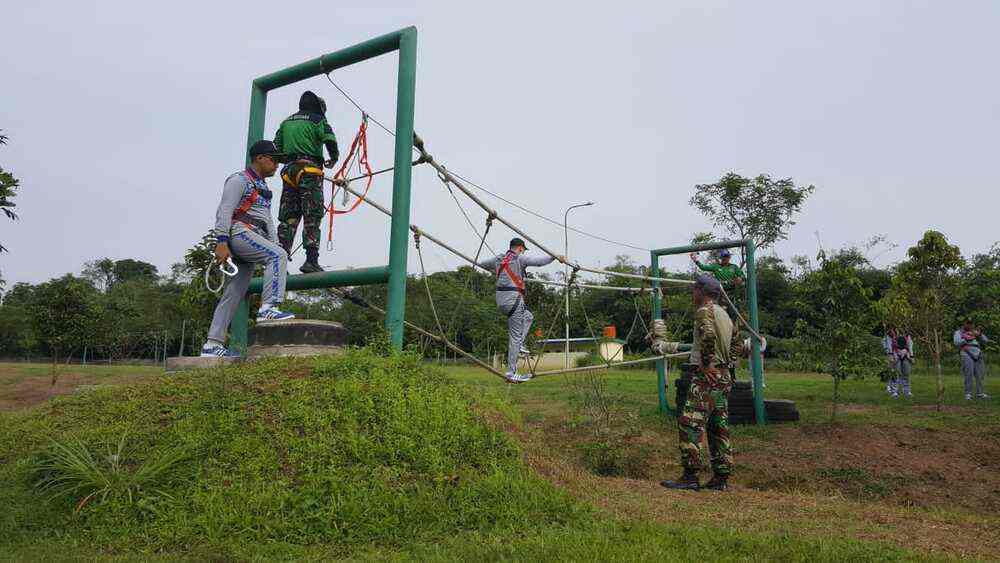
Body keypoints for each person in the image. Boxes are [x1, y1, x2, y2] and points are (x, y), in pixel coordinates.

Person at [201, 140, 295, 357]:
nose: (277, 165)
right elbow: (224, 211)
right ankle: (268, 308)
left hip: (254, 234)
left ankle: (212, 343)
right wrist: (221, 242)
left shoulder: (263, 187)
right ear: (260, 158)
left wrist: (276, 245)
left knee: (234, 292)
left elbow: (266, 220)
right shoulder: (239, 180)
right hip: (240, 232)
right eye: (273, 160)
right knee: (276, 256)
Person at [654, 274, 745, 492]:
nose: (692, 292)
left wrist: (707, 363)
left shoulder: (705, 311)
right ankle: (721, 478)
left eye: (694, 289)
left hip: (707, 377)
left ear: (700, 291)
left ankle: (690, 476)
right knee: (718, 426)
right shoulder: (725, 313)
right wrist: (726, 365)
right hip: (723, 376)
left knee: (690, 423)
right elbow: (737, 343)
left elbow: (707, 335)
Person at [479, 238, 564, 383]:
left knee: (528, 316)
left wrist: (498, 270)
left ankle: (521, 345)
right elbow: (538, 261)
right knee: (515, 336)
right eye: (523, 250)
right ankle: (511, 372)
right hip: (514, 300)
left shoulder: (499, 258)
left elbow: (482, 264)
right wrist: (554, 257)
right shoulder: (519, 258)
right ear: (519, 248)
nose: (523, 252)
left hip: (501, 300)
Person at [274, 91, 339, 274]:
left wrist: (291, 157)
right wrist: (333, 158)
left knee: (288, 218)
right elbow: (330, 140)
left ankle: (279, 262)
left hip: (289, 173)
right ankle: (311, 260)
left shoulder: (286, 122)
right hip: (310, 171)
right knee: (312, 215)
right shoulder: (318, 120)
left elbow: (276, 149)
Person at [953, 319, 990, 400]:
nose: (969, 325)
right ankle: (968, 394)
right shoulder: (958, 332)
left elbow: (986, 341)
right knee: (968, 374)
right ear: (964, 324)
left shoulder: (975, 332)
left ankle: (980, 393)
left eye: (971, 324)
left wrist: (980, 335)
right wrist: (966, 339)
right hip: (966, 353)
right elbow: (956, 342)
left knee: (980, 374)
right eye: (968, 323)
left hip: (977, 352)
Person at [882, 327, 914, 398]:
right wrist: (889, 354)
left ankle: (907, 392)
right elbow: (887, 344)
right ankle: (894, 392)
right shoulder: (890, 334)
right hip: (895, 355)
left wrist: (911, 356)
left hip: (906, 355)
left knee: (906, 373)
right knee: (896, 374)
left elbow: (910, 344)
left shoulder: (907, 334)